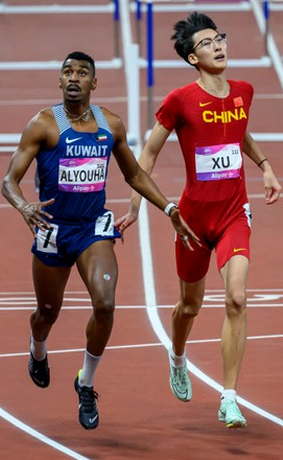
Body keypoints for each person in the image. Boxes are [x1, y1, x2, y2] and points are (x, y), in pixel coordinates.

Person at [1, 51, 196, 430]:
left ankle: (86, 383)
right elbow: (9, 179)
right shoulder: (43, 125)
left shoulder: (111, 125)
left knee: (106, 304)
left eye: (82, 73)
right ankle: (37, 349)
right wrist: (24, 206)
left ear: (94, 83)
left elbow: (135, 175)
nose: (73, 78)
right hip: (53, 229)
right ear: (60, 81)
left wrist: (169, 208)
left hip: (93, 228)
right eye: (67, 72)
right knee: (48, 313)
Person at [116, 13, 281, 428]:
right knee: (189, 305)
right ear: (193, 57)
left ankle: (229, 397)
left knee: (236, 298)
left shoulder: (244, 91)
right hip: (191, 220)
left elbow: (238, 131)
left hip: (232, 214)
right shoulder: (179, 100)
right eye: (208, 43)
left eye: (220, 38)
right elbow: (148, 153)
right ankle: (177, 355)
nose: (219, 45)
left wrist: (264, 165)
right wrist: (136, 204)